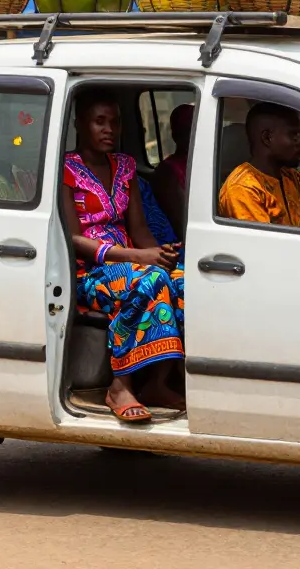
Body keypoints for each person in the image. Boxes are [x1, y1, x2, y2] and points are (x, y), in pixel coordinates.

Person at [61, 89, 185, 423]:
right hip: (88, 272)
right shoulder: (66, 170)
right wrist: (138, 257)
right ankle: (120, 385)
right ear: (80, 125)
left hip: (131, 260)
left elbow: (139, 228)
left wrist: (159, 252)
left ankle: (159, 382)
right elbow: (72, 238)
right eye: (99, 122)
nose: (109, 130)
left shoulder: (126, 166)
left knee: (183, 279)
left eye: (114, 122)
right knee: (150, 280)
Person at [218, 102, 300, 227]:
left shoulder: (295, 179)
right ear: (267, 138)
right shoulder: (243, 188)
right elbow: (263, 244)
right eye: (294, 135)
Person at [153, 103, 193, 237]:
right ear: (175, 135)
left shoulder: (203, 165)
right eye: (188, 131)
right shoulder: (168, 172)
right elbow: (182, 226)